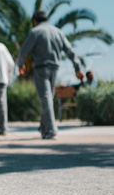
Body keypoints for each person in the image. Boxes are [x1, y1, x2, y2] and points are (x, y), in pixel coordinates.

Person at [17, 10, 85, 140]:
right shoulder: (58, 32)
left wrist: (20, 65)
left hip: (41, 69)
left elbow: (23, 50)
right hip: (55, 68)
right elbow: (70, 51)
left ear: (35, 21)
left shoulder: (35, 32)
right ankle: (44, 127)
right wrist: (78, 68)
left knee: (46, 97)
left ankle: (52, 130)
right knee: (48, 97)